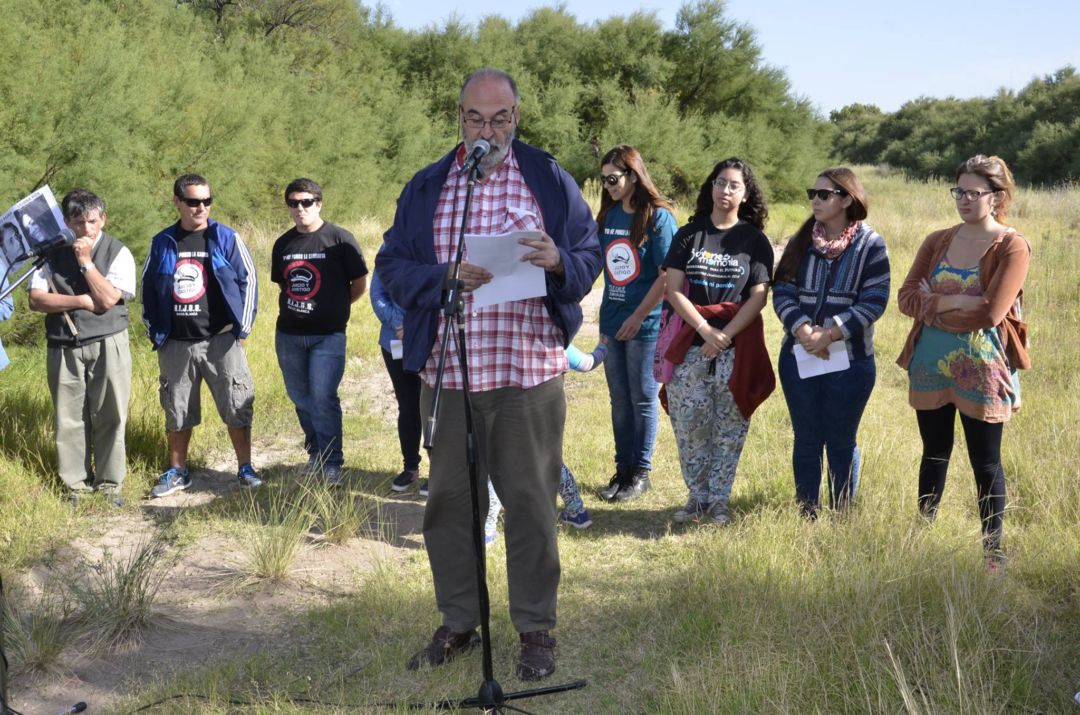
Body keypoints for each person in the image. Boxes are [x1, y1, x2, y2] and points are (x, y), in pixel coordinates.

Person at [376, 68, 601, 681]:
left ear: (517, 118)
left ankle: (535, 629)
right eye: (476, 118)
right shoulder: (429, 185)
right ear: (459, 118)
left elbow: (589, 254)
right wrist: (441, 278)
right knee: (449, 503)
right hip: (448, 374)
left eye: (501, 119)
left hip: (526, 372)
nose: (489, 130)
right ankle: (459, 621)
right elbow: (392, 264)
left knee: (530, 501)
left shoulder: (548, 177)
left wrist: (558, 260)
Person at [897, 154, 1030, 571]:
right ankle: (922, 536)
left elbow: (991, 313)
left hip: (984, 369)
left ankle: (993, 551)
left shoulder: (1011, 244)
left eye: (976, 193)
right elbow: (905, 299)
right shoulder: (938, 239)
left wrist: (933, 303)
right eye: (960, 191)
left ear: (997, 196)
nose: (965, 200)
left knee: (985, 461)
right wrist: (957, 299)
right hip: (930, 364)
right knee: (934, 452)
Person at [657, 157, 776, 526]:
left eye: (734, 185)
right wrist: (706, 331)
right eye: (720, 182)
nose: (726, 191)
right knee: (689, 423)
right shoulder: (689, 235)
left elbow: (758, 296)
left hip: (736, 347)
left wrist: (724, 336)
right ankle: (696, 497)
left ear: (745, 194)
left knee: (729, 425)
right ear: (711, 187)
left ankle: (720, 500)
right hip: (691, 342)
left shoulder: (754, 241)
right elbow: (673, 290)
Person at [772, 169, 890, 517]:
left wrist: (831, 333)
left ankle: (842, 515)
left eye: (823, 194)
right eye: (813, 193)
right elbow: (782, 290)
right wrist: (805, 331)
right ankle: (807, 513)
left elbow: (875, 299)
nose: (815, 200)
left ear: (847, 199)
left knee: (840, 442)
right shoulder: (802, 240)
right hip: (798, 355)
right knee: (807, 439)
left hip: (851, 362)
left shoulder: (871, 244)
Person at [142, 174, 261, 497]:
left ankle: (245, 468)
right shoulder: (163, 242)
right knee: (177, 408)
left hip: (221, 340)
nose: (201, 207)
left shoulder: (225, 237)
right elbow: (147, 290)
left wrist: (242, 327)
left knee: (236, 404)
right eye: (193, 201)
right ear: (177, 202)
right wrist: (156, 332)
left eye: (207, 201)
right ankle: (178, 471)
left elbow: (248, 280)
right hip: (177, 343)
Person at [27, 189, 135, 506]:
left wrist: (85, 262)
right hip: (63, 343)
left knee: (110, 413)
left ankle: (110, 485)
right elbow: (37, 299)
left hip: (108, 341)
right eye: (78, 222)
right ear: (66, 221)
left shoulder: (118, 252)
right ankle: (76, 486)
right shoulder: (47, 255)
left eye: (92, 221)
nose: (86, 229)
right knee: (69, 417)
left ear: (103, 218)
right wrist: (79, 301)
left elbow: (107, 299)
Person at [271, 179, 368, 485]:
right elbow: (284, 285)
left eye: (306, 202)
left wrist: (335, 307)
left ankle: (332, 462)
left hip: (328, 335)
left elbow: (359, 284)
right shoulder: (283, 244)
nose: (300, 208)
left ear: (319, 203)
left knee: (323, 396)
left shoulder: (339, 239)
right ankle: (316, 453)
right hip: (289, 334)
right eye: (293, 203)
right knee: (300, 397)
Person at [595, 145, 677, 502]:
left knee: (642, 397)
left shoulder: (658, 218)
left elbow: (667, 276)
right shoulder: (609, 215)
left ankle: (641, 472)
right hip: (613, 321)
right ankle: (623, 468)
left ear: (633, 175)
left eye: (613, 179)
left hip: (645, 324)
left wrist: (639, 315)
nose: (608, 186)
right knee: (618, 399)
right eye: (603, 180)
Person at [485, 338, 609, 542]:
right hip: (543, 410)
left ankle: (487, 528)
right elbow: (587, 363)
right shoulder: (553, 338)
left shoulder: (497, 341)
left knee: (497, 468)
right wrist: (603, 348)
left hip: (504, 412)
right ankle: (577, 512)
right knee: (552, 462)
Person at [370, 265, 425, 494]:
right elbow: (377, 294)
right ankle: (410, 467)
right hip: (394, 340)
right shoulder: (389, 245)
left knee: (436, 407)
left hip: (431, 338)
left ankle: (440, 471)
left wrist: (417, 327)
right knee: (408, 405)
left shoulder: (438, 238)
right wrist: (401, 324)